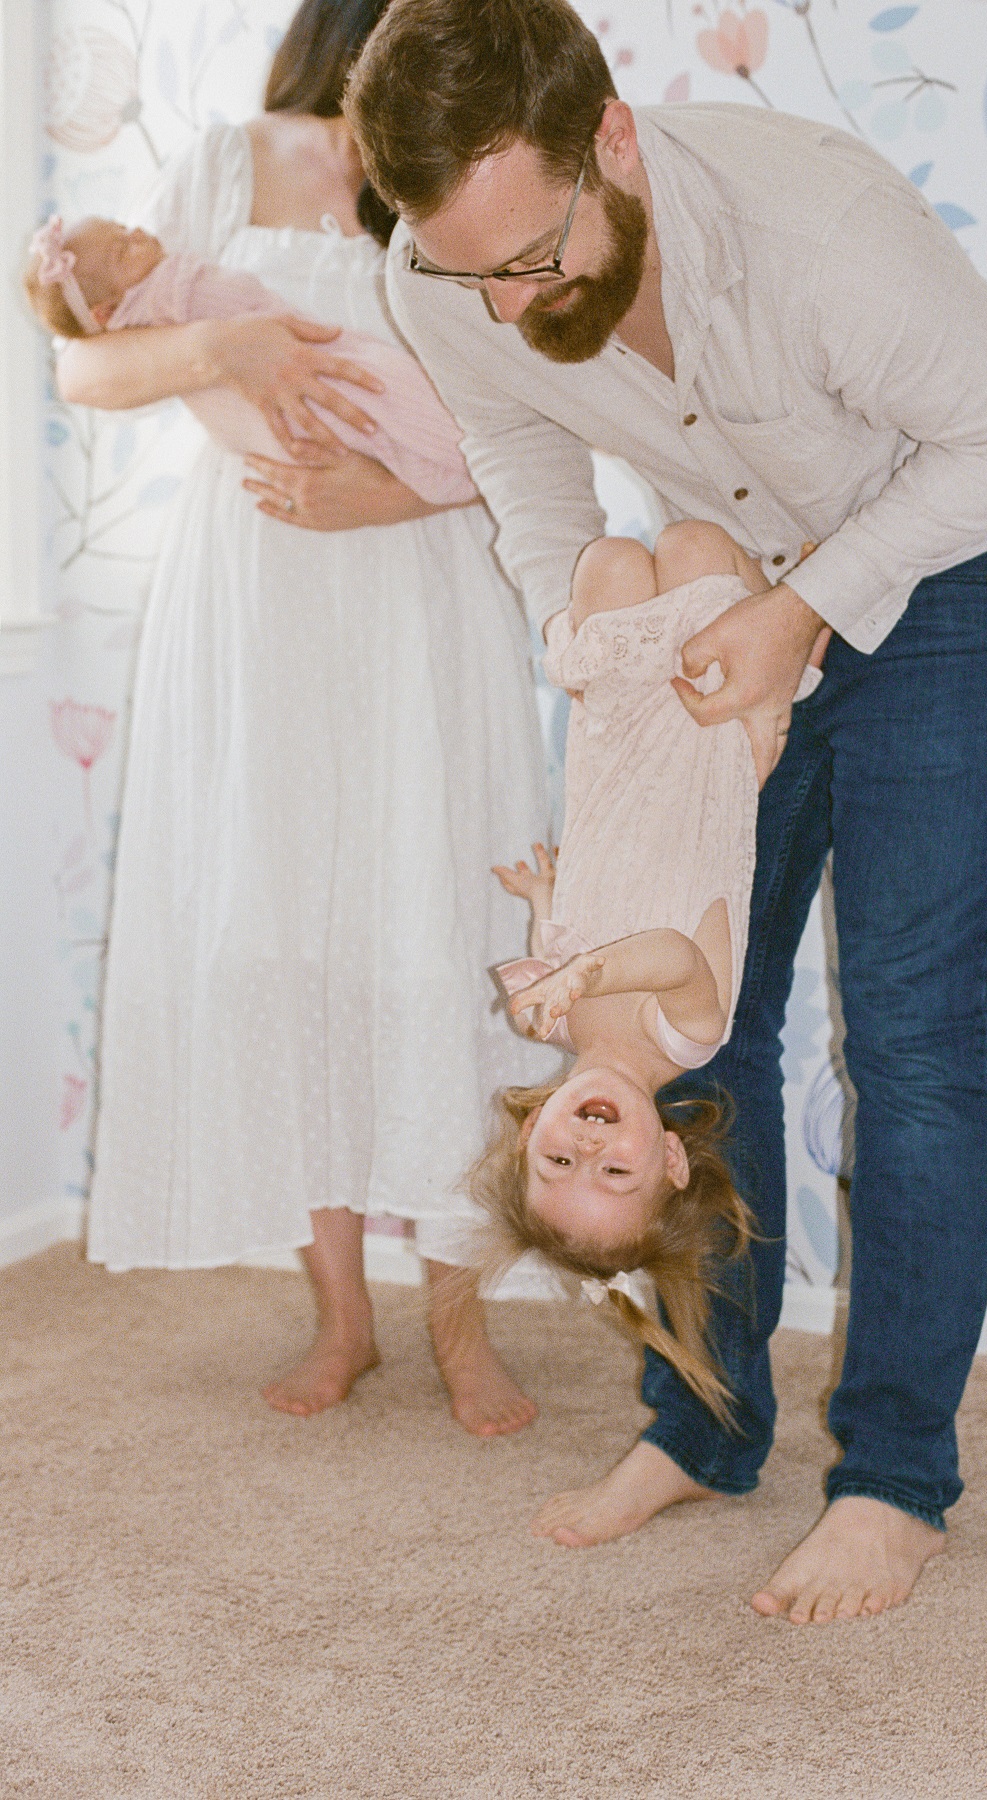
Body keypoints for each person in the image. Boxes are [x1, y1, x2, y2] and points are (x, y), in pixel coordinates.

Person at [345, 0, 987, 1625]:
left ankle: (896, 1480)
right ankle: (704, 1424)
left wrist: (809, 606)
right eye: (472, 277)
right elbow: (531, 467)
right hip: (717, 602)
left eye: (534, 256)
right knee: (699, 1043)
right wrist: (591, 655)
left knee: (910, 1046)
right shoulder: (445, 279)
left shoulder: (815, 223)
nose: (512, 303)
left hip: (950, 567)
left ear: (611, 135)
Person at [68, 0, 553, 1437]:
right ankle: (343, 1316)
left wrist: (402, 490)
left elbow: (540, 406)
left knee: (436, 933)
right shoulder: (225, 162)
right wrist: (231, 357)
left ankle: (461, 1329)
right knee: (285, 934)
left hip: (420, 586)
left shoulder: (472, 171)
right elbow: (83, 366)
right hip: (260, 591)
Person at [470, 520, 788, 1454]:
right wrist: (585, 972)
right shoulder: (686, 1040)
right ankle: (780, 650)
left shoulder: (560, 1027)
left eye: (558, 1160)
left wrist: (542, 907)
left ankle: (756, 602)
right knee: (694, 545)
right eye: (617, 1172)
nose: (590, 1145)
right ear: (672, 1161)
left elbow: (568, 931)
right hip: (701, 740)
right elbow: (666, 952)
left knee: (604, 565)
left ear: (534, 1130)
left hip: (612, 752)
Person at [23, 212, 473, 504]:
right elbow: (75, 372)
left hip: (375, 478)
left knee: (390, 411)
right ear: (106, 313)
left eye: (126, 228)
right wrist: (222, 347)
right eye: (125, 248)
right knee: (388, 402)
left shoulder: (157, 281)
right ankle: (460, 462)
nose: (139, 233)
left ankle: (459, 468)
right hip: (291, 439)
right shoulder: (164, 290)